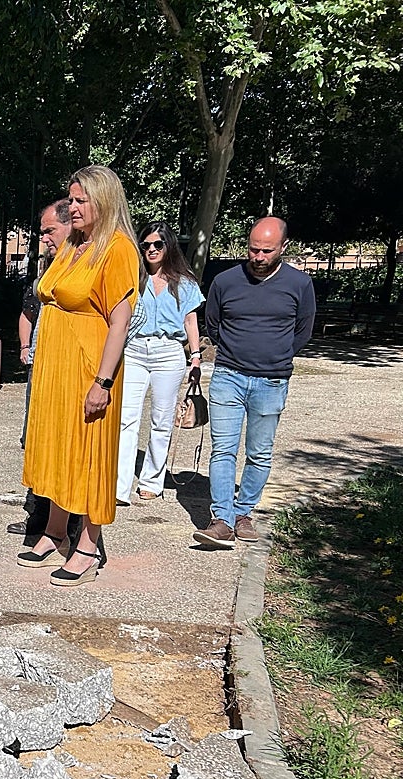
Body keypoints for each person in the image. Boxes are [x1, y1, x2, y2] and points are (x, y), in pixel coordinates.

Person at [19, 165, 139, 586]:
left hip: (89, 366)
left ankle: (88, 544)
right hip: (55, 367)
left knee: (89, 453)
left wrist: (102, 382)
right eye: (70, 199)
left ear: (103, 201)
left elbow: (119, 322)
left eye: (80, 200)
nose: (72, 207)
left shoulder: (118, 248)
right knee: (56, 445)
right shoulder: (72, 243)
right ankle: (54, 530)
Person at [193, 217, 315, 548]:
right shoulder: (225, 281)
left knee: (259, 453)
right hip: (228, 377)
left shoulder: (300, 284)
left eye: (266, 251)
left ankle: (244, 512)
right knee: (223, 450)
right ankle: (221, 519)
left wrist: (277, 355)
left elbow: (303, 330)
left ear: (282, 247)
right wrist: (233, 352)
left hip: (272, 380)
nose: (258, 257)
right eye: (253, 249)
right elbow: (214, 324)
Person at [115, 221, 204, 504]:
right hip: (135, 349)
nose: (151, 250)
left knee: (162, 420)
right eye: (146, 245)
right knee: (126, 418)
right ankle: (120, 484)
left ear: (168, 246)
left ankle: (153, 480)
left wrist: (196, 356)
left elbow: (191, 320)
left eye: (157, 244)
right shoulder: (132, 278)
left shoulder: (184, 282)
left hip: (169, 351)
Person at [8, 199, 72, 537]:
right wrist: (27, 348)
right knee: (35, 437)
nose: (43, 238)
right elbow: (30, 314)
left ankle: (66, 520)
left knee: (64, 442)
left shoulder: (82, 268)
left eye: (50, 231)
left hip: (71, 369)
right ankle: (38, 512)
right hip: (42, 366)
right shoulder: (46, 272)